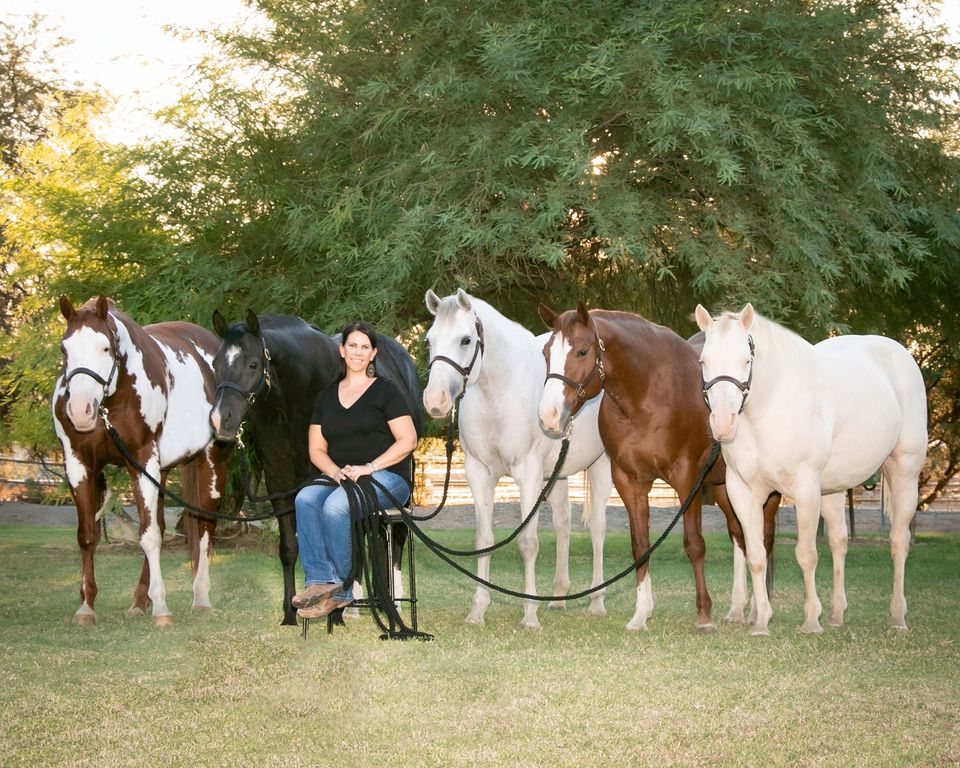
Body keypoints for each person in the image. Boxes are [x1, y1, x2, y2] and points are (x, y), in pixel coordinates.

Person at [292, 320, 418, 620]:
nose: (358, 352)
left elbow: (408, 439)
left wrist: (369, 467)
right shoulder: (326, 396)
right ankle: (320, 582)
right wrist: (336, 473)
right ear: (342, 350)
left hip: (387, 478)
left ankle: (344, 589)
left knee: (337, 506)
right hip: (343, 477)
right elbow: (316, 450)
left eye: (364, 347)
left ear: (373, 354)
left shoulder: (386, 391)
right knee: (305, 499)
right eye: (352, 345)